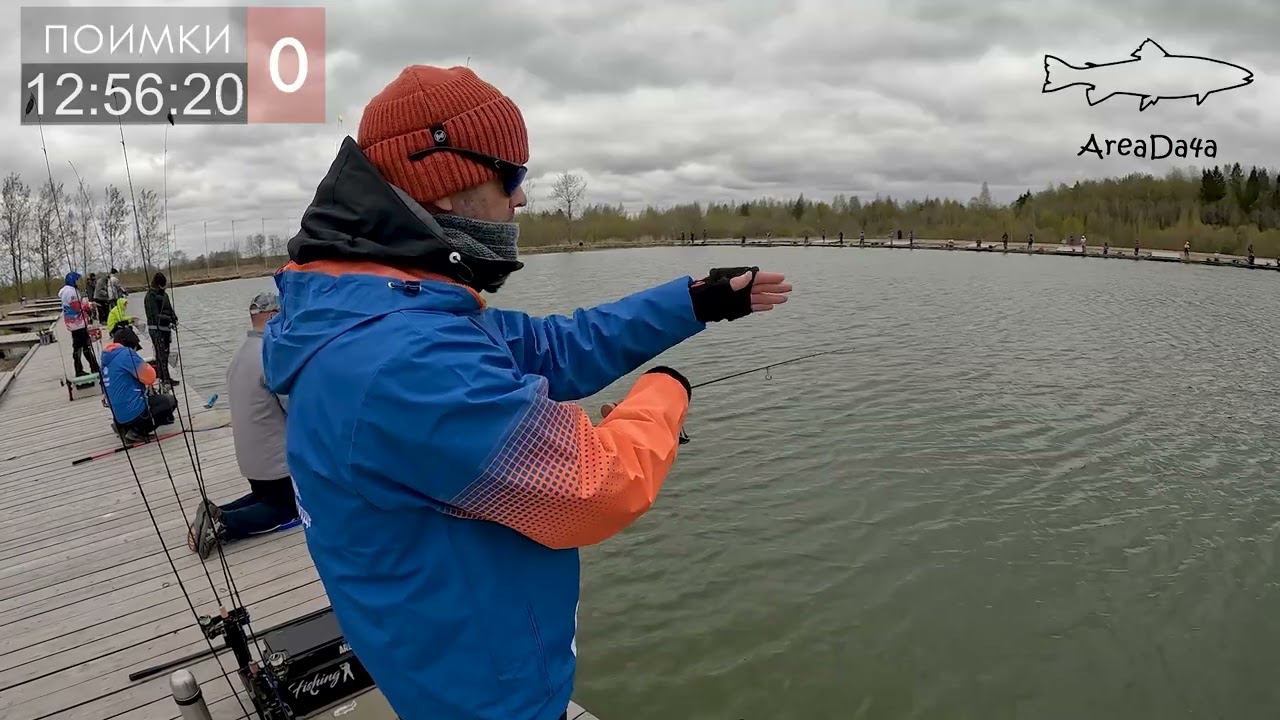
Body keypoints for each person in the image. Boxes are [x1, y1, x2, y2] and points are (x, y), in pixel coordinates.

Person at [261, 65, 792, 720]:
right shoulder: (402, 361)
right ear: (447, 186)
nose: (522, 199)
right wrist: (664, 391)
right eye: (511, 176)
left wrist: (694, 303)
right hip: (487, 698)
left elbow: (552, 346)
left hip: (441, 666)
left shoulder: (384, 307)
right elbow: (600, 489)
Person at [188, 292, 297, 559]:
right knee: (288, 507)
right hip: (275, 463)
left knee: (266, 498)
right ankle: (224, 523)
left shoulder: (240, 355)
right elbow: (296, 411)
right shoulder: (271, 355)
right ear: (273, 317)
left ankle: (215, 513)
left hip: (250, 462)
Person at [101, 325, 177, 443]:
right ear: (129, 345)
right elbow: (150, 377)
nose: (135, 351)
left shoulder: (106, 360)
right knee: (170, 401)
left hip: (118, 416)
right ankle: (137, 431)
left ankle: (123, 427)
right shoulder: (126, 354)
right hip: (134, 412)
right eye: (135, 348)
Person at [59, 271, 99, 377]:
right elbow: (77, 308)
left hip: (75, 324)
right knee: (82, 347)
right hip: (77, 324)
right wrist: (89, 306)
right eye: (76, 280)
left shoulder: (66, 291)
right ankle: (81, 370)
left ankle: (94, 367)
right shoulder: (71, 292)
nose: (78, 282)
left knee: (84, 346)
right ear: (72, 280)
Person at [144, 272, 179, 386]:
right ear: (159, 284)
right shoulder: (150, 296)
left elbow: (169, 309)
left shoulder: (165, 295)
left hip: (166, 329)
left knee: (166, 353)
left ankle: (167, 377)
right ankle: (164, 379)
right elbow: (155, 315)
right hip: (155, 329)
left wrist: (174, 318)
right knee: (161, 355)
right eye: (164, 284)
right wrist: (168, 319)